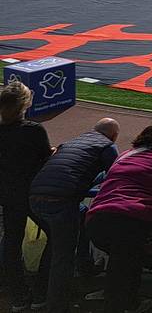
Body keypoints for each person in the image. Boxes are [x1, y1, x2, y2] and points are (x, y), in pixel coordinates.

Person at [28, 118, 120, 313]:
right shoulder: (108, 146)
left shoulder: (71, 142)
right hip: (60, 202)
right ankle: (57, 306)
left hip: (34, 197)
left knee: (63, 237)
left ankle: (41, 296)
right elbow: (117, 174)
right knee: (63, 257)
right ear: (114, 136)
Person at [85, 123, 152, 313]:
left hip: (97, 218)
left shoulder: (124, 156)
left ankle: (121, 298)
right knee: (129, 259)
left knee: (123, 259)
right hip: (132, 220)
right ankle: (123, 302)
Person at [0, 78, 52, 310]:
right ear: (25, 104)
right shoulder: (34, 130)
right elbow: (46, 159)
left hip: (7, 195)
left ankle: (18, 295)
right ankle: (42, 291)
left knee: (11, 243)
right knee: (57, 236)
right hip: (31, 194)